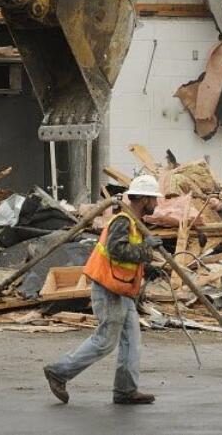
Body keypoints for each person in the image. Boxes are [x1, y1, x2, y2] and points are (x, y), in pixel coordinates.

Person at [43, 174, 164, 406]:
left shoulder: (134, 223)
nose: (156, 205)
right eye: (154, 200)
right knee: (104, 341)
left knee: (131, 341)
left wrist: (148, 267)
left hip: (122, 291)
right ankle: (59, 372)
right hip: (109, 289)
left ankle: (125, 390)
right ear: (143, 199)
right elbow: (118, 251)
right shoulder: (122, 221)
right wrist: (146, 249)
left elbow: (129, 256)